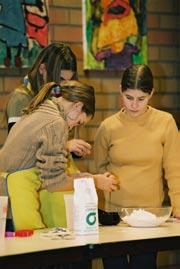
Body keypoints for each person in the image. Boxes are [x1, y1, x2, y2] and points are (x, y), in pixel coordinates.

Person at [93, 64, 180, 269]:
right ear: (121, 90)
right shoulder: (108, 126)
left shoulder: (165, 122)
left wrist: (178, 206)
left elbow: (174, 169)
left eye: (141, 99)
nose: (134, 105)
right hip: (114, 216)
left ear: (151, 94)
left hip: (151, 217)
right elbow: (99, 170)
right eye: (128, 97)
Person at [0, 80, 118, 193]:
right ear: (77, 106)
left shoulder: (43, 108)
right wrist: (95, 181)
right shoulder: (56, 123)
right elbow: (55, 183)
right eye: (79, 122)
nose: (71, 128)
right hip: (12, 194)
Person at [4, 42, 91, 158]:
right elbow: (17, 149)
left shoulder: (56, 97)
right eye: (60, 79)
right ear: (42, 69)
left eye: (68, 81)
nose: (63, 86)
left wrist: (74, 150)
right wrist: (64, 146)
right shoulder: (21, 99)